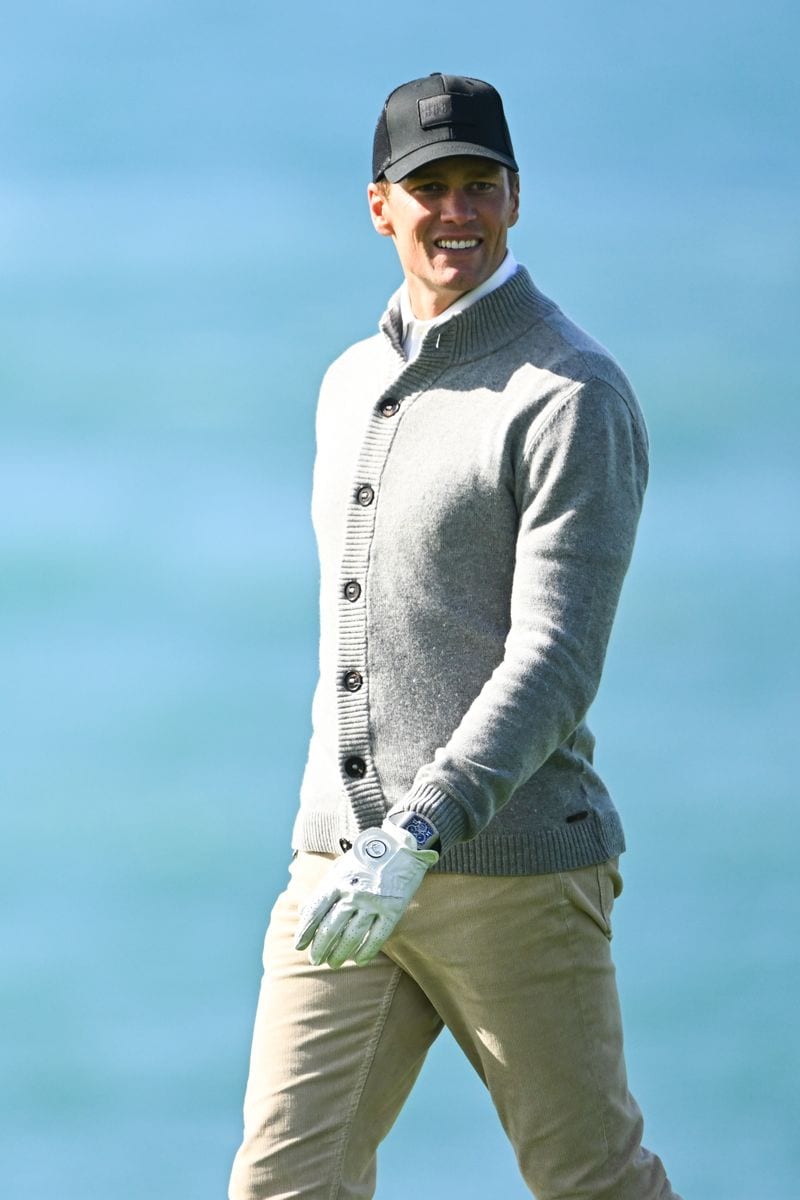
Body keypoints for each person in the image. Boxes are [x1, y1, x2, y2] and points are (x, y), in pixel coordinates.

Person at [229, 73, 682, 1200]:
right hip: (340, 875)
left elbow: (556, 656)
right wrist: (357, 844)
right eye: (427, 188)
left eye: (479, 185)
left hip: (512, 871)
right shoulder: (350, 381)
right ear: (378, 207)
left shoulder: (569, 392)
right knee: (281, 1184)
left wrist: (420, 830)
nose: (456, 214)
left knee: (589, 1180)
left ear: (516, 199)